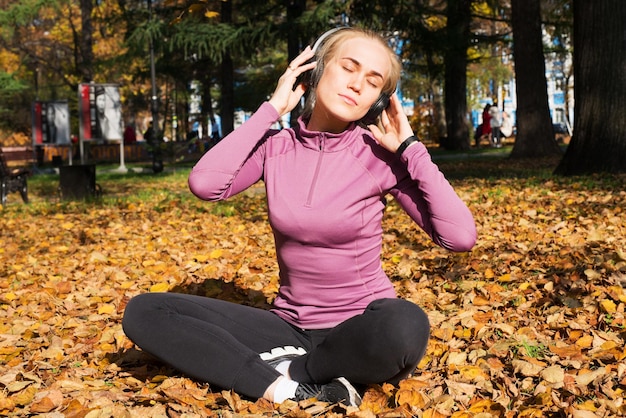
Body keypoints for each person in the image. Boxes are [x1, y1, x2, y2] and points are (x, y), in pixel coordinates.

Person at [122, 27, 476, 406]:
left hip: (358, 329)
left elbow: (459, 237)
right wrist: (272, 108)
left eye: (372, 83)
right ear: (316, 70)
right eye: (348, 68)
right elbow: (206, 184)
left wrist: (410, 148)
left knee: (406, 324)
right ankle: (287, 388)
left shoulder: (379, 157)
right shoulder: (276, 147)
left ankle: (295, 372)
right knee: (146, 310)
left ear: (378, 101)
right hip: (287, 327)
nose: (357, 85)